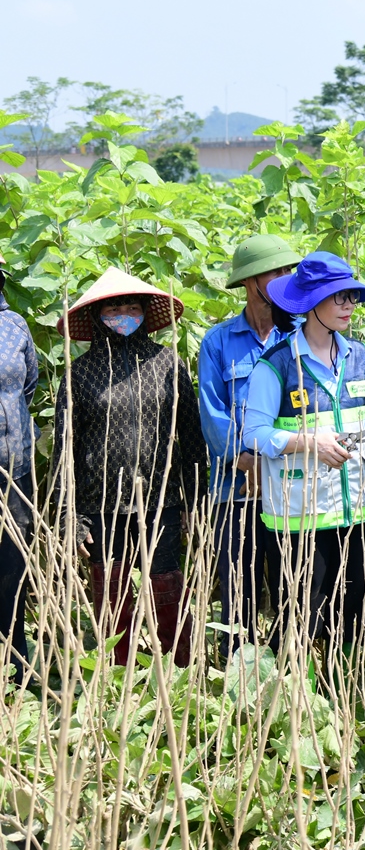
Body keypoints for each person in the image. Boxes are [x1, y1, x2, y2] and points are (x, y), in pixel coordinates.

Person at [241, 252, 365, 684]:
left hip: (363, 510)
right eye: (338, 298)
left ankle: (347, 689)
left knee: (359, 609)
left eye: (352, 298)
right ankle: (293, 698)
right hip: (301, 515)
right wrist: (310, 443)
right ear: (311, 304)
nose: (348, 306)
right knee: (302, 613)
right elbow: (253, 434)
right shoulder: (278, 364)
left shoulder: (360, 357)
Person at [52, 268, 209, 668]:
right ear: (97, 316)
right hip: (100, 506)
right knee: (113, 602)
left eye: (132, 307)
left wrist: (195, 500)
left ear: (145, 313)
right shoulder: (81, 374)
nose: (123, 313)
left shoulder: (166, 363)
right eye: (114, 307)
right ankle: (119, 680)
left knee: (167, 593)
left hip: (162, 503)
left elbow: (190, 438)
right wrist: (70, 516)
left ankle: (180, 674)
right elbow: (64, 452)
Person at [197, 234, 301, 662]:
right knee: (237, 585)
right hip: (234, 488)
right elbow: (212, 413)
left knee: (288, 584)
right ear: (250, 281)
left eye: (287, 272)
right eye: (275, 272)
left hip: (289, 487)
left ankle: (287, 671)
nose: (284, 280)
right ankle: (236, 672)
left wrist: (270, 461)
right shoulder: (218, 342)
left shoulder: (297, 336)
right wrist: (245, 460)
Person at [0, 254, 39, 686]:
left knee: (13, 563)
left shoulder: (14, 326)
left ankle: (16, 663)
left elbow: (29, 383)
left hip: (14, 466)